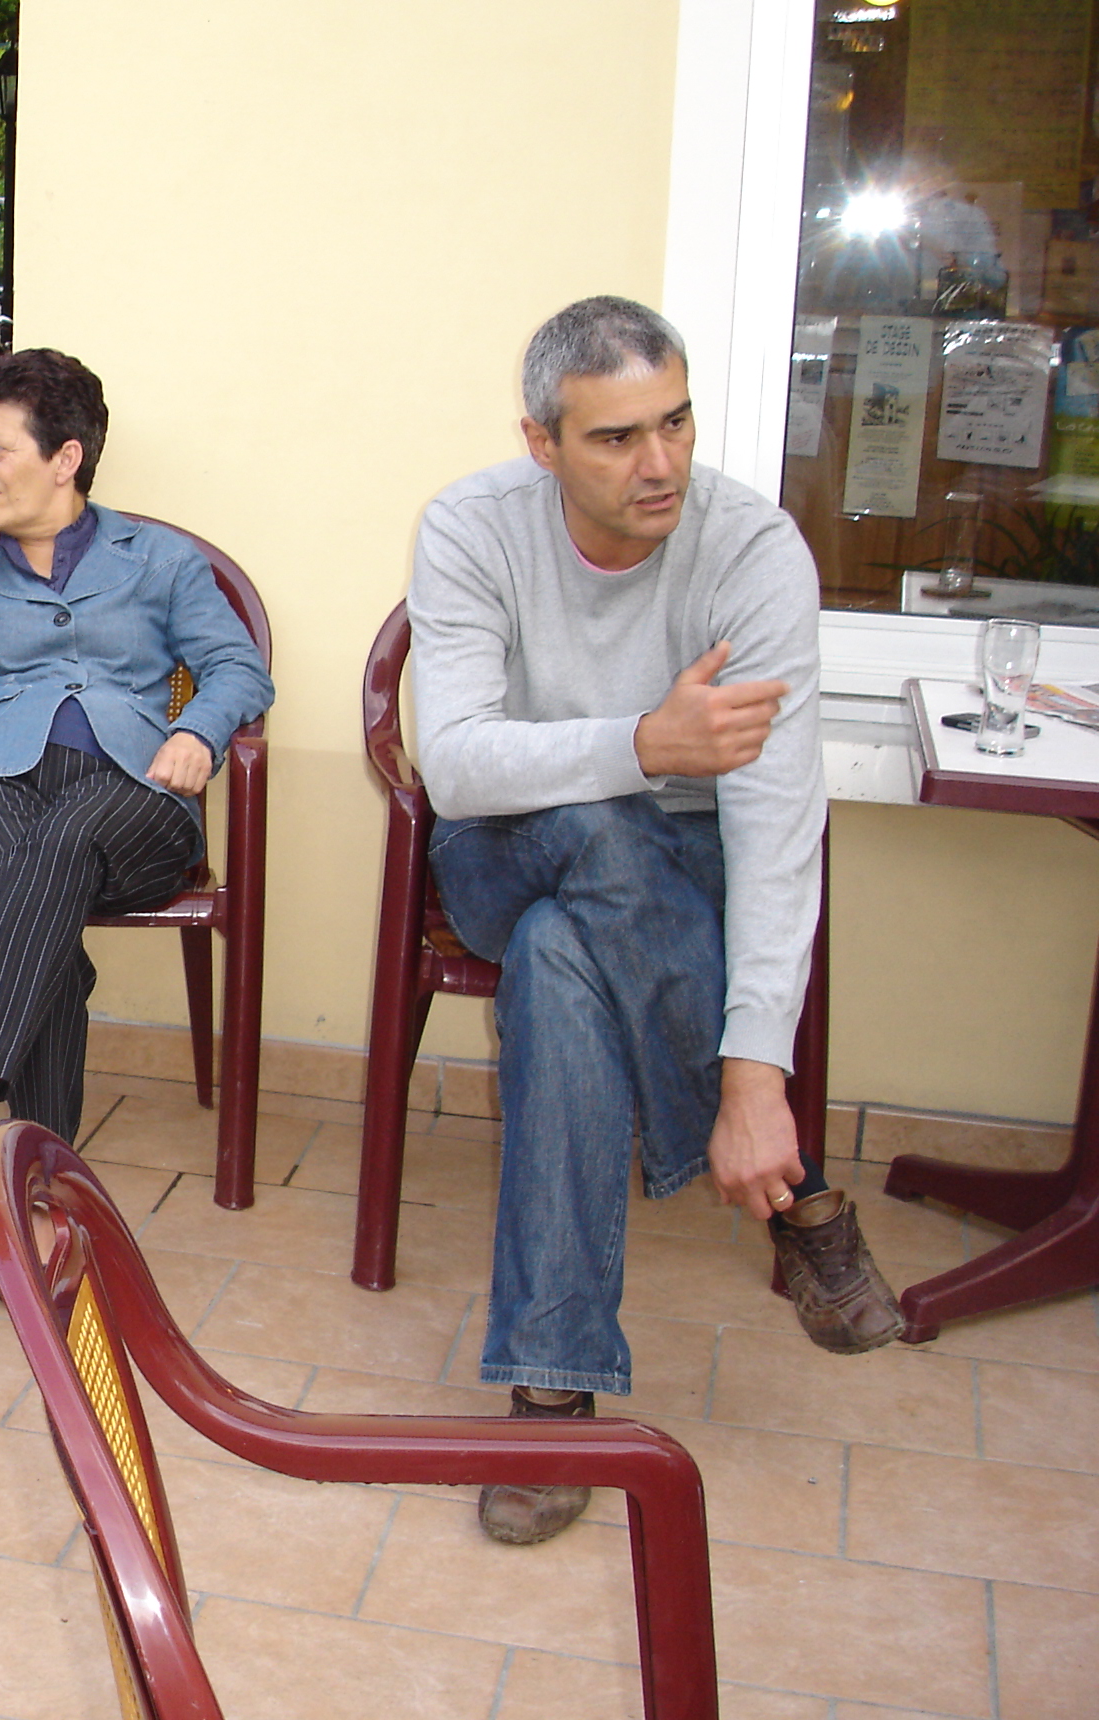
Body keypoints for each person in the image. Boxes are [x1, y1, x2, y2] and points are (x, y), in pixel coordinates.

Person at [408, 296, 902, 1548]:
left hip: (673, 867)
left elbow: (777, 824)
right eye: (618, 437)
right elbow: (454, 764)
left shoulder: (753, 552)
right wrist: (643, 743)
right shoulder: (471, 526)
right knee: (596, 828)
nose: (661, 462)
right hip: (503, 842)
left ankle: (553, 1393)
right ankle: (795, 1197)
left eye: (676, 422)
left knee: (561, 962)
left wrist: (759, 1068)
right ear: (542, 443)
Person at [0, 349, 274, 1195]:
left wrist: (198, 730)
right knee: (44, 924)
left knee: (57, 846)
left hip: (128, 789)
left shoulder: (158, 558)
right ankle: (41, 1187)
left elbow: (238, 667)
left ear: (66, 458)